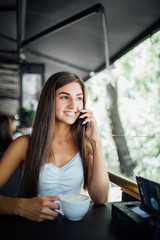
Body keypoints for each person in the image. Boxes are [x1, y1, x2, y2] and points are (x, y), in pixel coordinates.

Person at [0, 71, 109, 222]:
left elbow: (100, 198)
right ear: (49, 100)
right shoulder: (24, 144)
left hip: (73, 228)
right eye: (64, 97)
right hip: (33, 229)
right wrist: (20, 206)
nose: (73, 105)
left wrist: (96, 141)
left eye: (79, 98)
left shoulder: (85, 145)